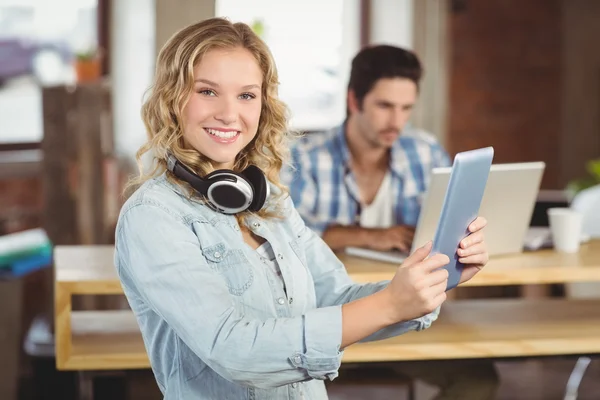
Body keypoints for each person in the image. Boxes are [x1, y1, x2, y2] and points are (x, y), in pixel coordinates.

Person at [114, 18, 490, 400]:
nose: (230, 114)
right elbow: (234, 349)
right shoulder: (152, 215)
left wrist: (433, 278)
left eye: (247, 95)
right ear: (171, 99)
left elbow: (335, 297)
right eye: (207, 92)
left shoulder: (271, 202)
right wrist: (391, 304)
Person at [282, 45, 499, 399]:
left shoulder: (424, 151)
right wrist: (371, 236)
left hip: (403, 309)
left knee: (478, 378)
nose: (396, 121)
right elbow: (286, 234)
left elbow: (446, 225)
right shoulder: (304, 156)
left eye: (405, 108)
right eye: (384, 106)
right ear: (354, 101)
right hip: (326, 315)